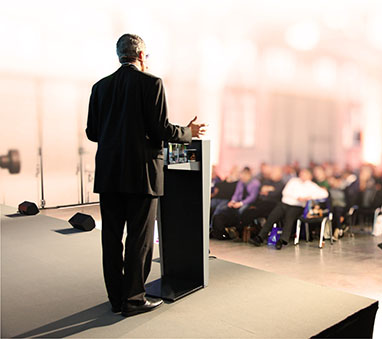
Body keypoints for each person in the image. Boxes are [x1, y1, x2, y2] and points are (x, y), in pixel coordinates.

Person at [86, 34, 206, 317]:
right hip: (142, 174)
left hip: (109, 173)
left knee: (111, 238)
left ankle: (116, 299)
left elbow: (93, 133)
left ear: (119, 56)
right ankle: (134, 299)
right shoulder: (151, 83)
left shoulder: (100, 87)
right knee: (139, 238)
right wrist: (188, 132)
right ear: (141, 55)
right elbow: (162, 129)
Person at [249, 168, 328, 250]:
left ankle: (282, 240)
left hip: (297, 207)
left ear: (309, 176)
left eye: (305, 174)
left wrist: (310, 197)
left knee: (289, 219)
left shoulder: (312, 186)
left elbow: (324, 194)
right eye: (301, 173)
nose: (302, 175)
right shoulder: (293, 181)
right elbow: (285, 192)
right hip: (285, 203)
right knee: (272, 217)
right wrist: (298, 197)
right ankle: (260, 237)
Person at [211, 167, 260, 240]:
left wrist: (240, 203)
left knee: (241, 210)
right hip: (238, 201)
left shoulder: (255, 183)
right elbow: (236, 194)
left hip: (248, 202)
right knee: (226, 208)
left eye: (244, 175)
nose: (242, 177)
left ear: (249, 175)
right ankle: (216, 228)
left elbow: (252, 197)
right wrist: (233, 201)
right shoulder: (241, 182)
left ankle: (237, 227)